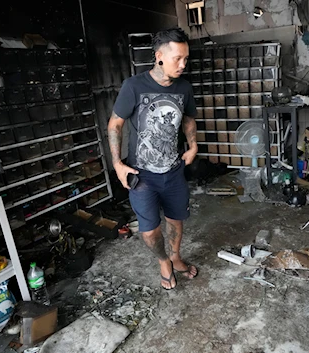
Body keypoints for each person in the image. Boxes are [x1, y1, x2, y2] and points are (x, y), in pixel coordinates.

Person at [108, 27, 198, 290]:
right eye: (177, 59)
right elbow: (115, 124)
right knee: (149, 231)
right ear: (159, 56)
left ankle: (176, 257)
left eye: (186, 59)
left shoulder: (184, 88)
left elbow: (189, 119)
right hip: (142, 175)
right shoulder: (133, 86)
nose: (183, 65)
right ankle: (163, 261)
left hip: (173, 171)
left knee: (176, 220)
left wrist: (192, 146)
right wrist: (117, 163)